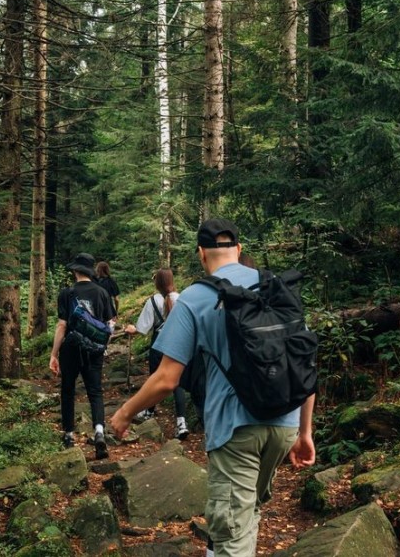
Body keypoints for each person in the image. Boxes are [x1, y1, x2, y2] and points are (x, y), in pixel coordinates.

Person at [110, 219, 316, 557]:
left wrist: (123, 413)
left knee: (231, 536)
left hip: (235, 432)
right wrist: (305, 431)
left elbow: (167, 379)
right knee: (245, 516)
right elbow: (304, 362)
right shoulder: (276, 288)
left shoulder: (194, 298)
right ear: (239, 249)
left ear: (201, 254)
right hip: (286, 424)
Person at [50, 252, 117, 459]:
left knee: (68, 389)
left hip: (70, 347)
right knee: (95, 391)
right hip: (94, 349)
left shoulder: (66, 293)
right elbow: (109, 324)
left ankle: (69, 435)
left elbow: (62, 325)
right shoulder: (101, 292)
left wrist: (53, 354)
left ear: (75, 271)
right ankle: (99, 432)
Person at [123, 267, 189, 440]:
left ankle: (149, 412)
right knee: (178, 384)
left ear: (157, 282)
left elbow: (142, 329)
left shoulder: (152, 301)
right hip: (178, 346)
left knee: (155, 379)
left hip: (159, 346)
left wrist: (131, 329)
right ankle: (182, 423)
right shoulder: (182, 299)